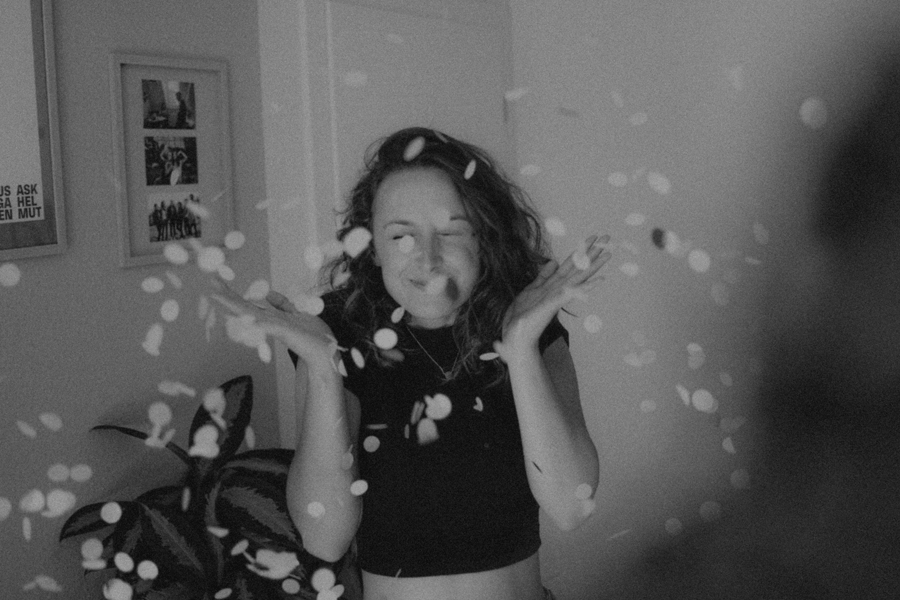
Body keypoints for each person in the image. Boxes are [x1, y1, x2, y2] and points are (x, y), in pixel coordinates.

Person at [214, 127, 610, 600]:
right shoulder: (339, 332)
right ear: (372, 246)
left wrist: (520, 348)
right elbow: (324, 535)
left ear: (483, 238)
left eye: (451, 231)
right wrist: (323, 366)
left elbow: (571, 507)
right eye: (401, 235)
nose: (428, 259)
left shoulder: (527, 321)